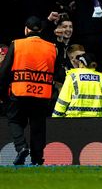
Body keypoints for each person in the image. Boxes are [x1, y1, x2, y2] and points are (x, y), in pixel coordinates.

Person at [0, 17, 57, 166]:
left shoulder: (17, 44)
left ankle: (21, 146)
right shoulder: (52, 47)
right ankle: (37, 159)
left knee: (13, 120)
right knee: (38, 126)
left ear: (26, 29)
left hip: (20, 92)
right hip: (42, 93)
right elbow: (55, 72)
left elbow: (4, 71)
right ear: (41, 30)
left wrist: (2, 92)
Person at [52, 53, 102, 117]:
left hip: (74, 121)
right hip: (98, 120)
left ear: (81, 64)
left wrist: (56, 117)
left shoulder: (73, 76)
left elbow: (63, 100)